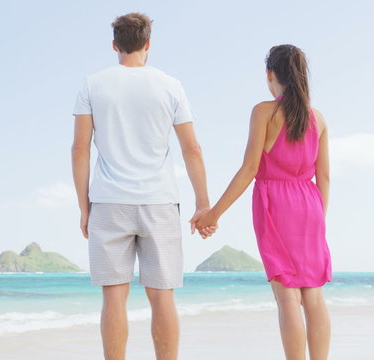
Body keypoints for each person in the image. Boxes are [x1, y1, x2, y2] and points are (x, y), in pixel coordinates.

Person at [71, 12, 213, 360]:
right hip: (159, 202)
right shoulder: (170, 85)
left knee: (113, 297)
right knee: (162, 295)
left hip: (108, 202)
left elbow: (80, 149)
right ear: (148, 44)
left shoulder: (92, 84)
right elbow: (191, 148)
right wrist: (203, 203)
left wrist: (84, 207)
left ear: (114, 45)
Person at [194, 44, 332, 360]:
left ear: (270, 75)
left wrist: (214, 213)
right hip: (311, 207)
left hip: (277, 206)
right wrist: (318, 220)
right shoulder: (318, 119)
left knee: (287, 298)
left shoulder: (264, 112)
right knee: (313, 296)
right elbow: (324, 178)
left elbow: (249, 169)